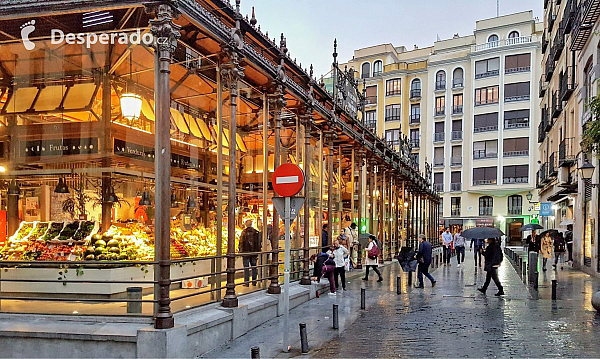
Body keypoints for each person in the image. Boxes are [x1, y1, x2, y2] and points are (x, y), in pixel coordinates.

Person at [239, 219, 261, 286]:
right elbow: (258, 243)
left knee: (246, 268)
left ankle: (247, 282)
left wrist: (240, 250)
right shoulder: (256, 232)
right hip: (254, 253)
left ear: (246, 225)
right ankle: (254, 282)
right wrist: (257, 251)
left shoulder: (244, 232)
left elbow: (241, 242)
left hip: (246, 252)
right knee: (254, 267)